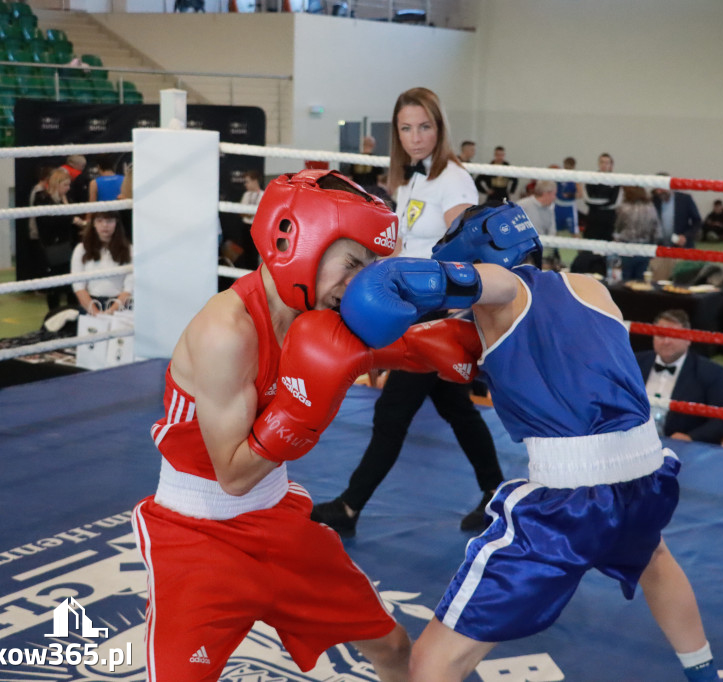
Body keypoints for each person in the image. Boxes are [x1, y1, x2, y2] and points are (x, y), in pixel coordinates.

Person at [339, 202, 721, 682]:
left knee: (434, 660)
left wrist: (392, 282)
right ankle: (704, 674)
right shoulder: (593, 289)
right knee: (655, 560)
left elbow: (489, 282)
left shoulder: (505, 289)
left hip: (571, 501)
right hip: (646, 480)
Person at [132, 168, 486, 680]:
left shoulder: (315, 311)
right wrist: (300, 411)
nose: (356, 284)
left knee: (391, 645)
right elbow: (232, 476)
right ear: (297, 241)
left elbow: (377, 347)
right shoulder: (223, 332)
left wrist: (436, 346)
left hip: (277, 518)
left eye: (368, 268)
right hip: (198, 535)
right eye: (350, 264)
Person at [311, 87, 504, 538]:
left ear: (439, 128)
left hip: (436, 313)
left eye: (425, 126)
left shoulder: (452, 178)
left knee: (393, 413)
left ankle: (350, 506)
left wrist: (443, 314)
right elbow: (401, 246)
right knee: (457, 409)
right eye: (406, 128)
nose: (416, 137)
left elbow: (464, 248)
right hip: (414, 308)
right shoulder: (413, 179)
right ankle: (496, 492)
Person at [636, 309, 723, 444]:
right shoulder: (635, 362)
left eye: (673, 335)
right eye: (660, 335)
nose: (666, 341)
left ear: (688, 338)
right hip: (633, 444)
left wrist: (691, 438)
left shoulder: (711, 372)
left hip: (682, 451)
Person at [35, 167, 87, 311]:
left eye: (69, 185)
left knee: (71, 283)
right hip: (51, 245)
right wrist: (71, 219)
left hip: (67, 244)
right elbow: (47, 221)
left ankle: (72, 312)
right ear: (56, 184)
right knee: (54, 285)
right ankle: (54, 313)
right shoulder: (42, 198)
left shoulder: (67, 199)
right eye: (65, 185)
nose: (68, 188)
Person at [70, 211, 133, 315]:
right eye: (99, 221)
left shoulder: (129, 249)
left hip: (121, 306)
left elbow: (129, 287)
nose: (105, 225)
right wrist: (96, 313)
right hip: (90, 305)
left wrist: (111, 311)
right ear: (93, 223)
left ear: (116, 223)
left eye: (109, 221)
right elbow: (78, 287)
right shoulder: (81, 249)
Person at [614, 185, 661, 280]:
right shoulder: (650, 207)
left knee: (625, 278)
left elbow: (618, 228)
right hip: (644, 247)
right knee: (640, 279)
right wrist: (653, 247)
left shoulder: (624, 208)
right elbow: (657, 232)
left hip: (626, 247)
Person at [653, 175, 701, 249]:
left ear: (670, 186)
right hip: (660, 248)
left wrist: (685, 236)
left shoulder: (685, 199)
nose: (659, 191)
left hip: (682, 247)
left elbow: (697, 221)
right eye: (657, 188)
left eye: (662, 187)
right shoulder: (654, 201)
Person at [553, 156, 580, 235]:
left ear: (573, 166)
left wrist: (570, 195)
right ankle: (554, 247)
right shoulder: (558, 175)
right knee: (554, 230)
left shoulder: (576, 177)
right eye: (566, 165)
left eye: (569, 166)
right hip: (557, 206)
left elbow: (580, 194)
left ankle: (580, 246)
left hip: (569, 207)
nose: (567, 167)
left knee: (574, 232)